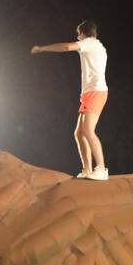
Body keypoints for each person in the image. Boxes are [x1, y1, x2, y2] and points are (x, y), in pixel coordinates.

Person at [31, 20, 110, 181]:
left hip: (96, 92)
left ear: (83, 33)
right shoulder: (97, 46)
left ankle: (101, 169)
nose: (77, 36)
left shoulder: (90, 43)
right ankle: (87, 170)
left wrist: (42, 48)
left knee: (88, 130)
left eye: (78, 33)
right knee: (79, 133)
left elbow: (67, 47)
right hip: (90, 93)